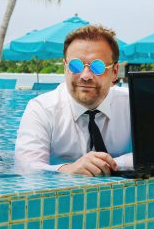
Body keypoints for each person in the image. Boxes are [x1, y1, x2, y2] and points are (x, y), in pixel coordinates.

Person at [15, 25, 132, 176]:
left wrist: (112, 164)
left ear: (114, 72)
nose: (85, 75)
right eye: (75, 66)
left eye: (98, 67)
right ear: (65, 68)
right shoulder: (41, 109)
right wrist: (66, 169)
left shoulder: (132, 104)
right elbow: (27, 167)